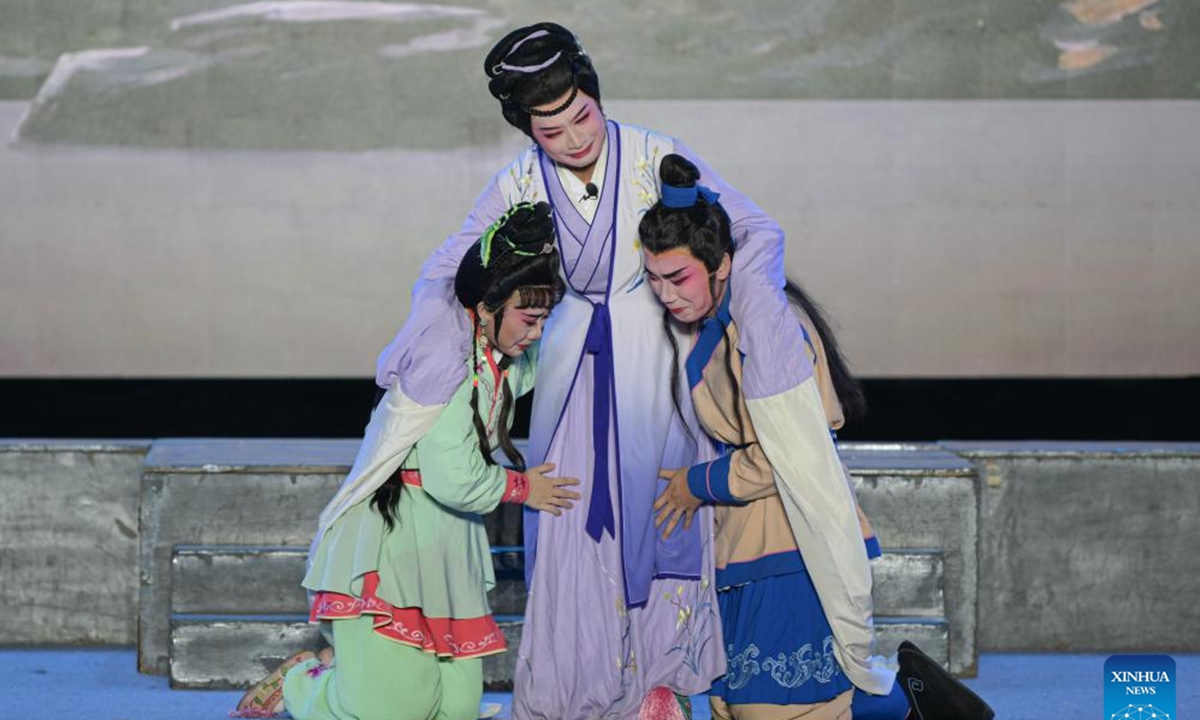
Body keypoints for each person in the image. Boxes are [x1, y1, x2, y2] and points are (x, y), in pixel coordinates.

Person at [372, 22, 835, 720]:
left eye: (581, 117)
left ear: (594, 94)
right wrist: (421, 334)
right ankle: (572, 690)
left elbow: (754, 227)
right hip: (565, 368)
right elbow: (448, 267)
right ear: (528, 131)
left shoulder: (656, 156)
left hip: (658, 366)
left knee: (664, 514)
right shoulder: (519, 182)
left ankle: (663, 685)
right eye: (551, 130)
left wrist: (761, 309)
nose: (574, 139)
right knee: (568, 526)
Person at [642, 154, 994, 720]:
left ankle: (916, 704)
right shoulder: (720, 323)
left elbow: (783, 456)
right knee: (739, 705)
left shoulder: (770, 329)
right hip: (746, 538)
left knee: (774, 707)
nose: (666, 294)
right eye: (654, 279)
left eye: (677, 277)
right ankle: (917, 705)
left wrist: (694, 483)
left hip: (792, 537)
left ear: (723, 264)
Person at [233, 202, 581, 720]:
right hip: (396, 536)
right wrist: (523, 489)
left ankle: (350, 668)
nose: (535, 333)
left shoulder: (488, 356)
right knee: (394, 710)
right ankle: (309, 685)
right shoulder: (445, 362)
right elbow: (454, 477)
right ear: (486, 307)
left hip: (447, 544)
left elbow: (516, 380)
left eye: (543, 320)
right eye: (529, 320)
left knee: (456, 709)